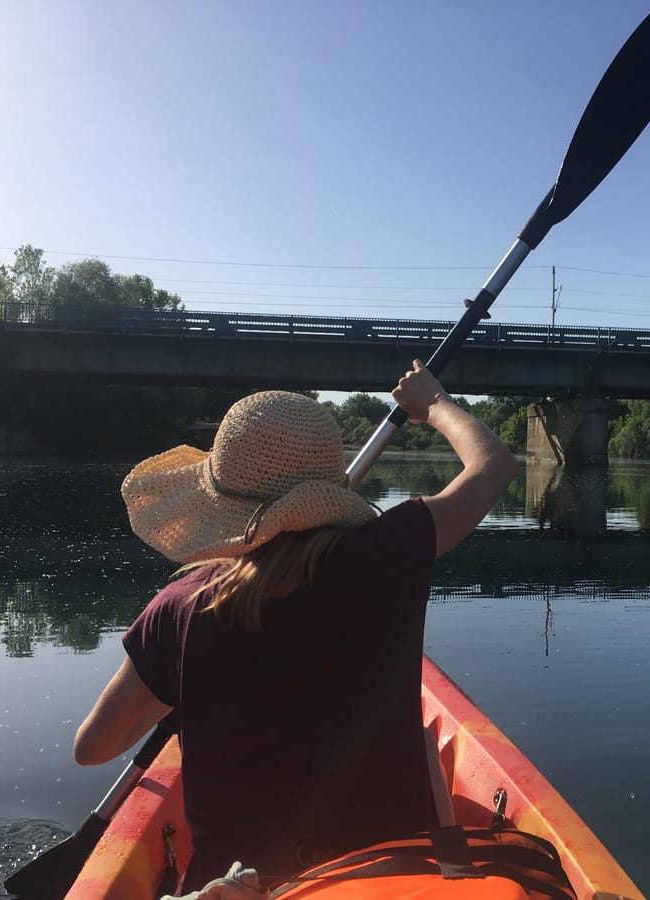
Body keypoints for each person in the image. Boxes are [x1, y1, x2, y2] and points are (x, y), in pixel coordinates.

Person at [73, 360, 518, 891]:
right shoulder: (390, 554)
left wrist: (179, 694)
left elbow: (93, 748)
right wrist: (433, 402)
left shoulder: (180, 608)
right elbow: (493, 466)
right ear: (326, 490)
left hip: (239, 885)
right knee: (425, 744)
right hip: (379, 884)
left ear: (218, 505)